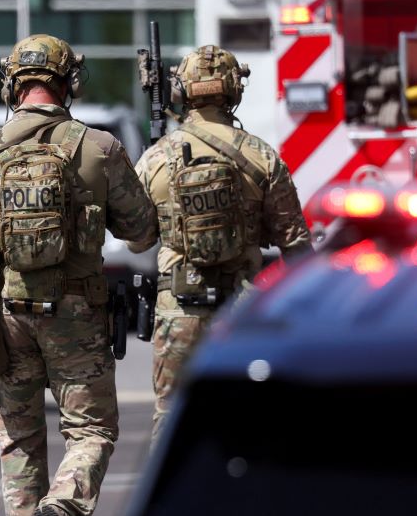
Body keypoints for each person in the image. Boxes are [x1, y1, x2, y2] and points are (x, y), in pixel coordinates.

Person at [0, 34, 156, 516]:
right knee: (91, 429)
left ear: (11, 87)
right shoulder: (99, 148)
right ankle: (63, 505)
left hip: (6, 313)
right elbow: (143, 232)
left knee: (19, 439)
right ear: (70, 83)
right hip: (76, 313)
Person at [128, 44, 313, 443]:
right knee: (250, 413)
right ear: (234, 90)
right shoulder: (261, 156)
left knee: (172, 414)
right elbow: (296, 246)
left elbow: (138, 242)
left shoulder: (156, 158)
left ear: (182, 91)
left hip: (179, 306)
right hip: (242, 308)